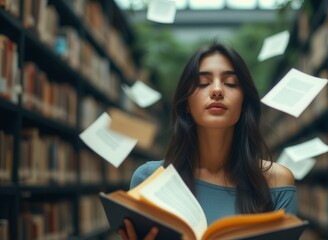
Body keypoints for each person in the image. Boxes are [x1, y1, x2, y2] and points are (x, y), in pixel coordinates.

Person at [119, 42, 297, 240]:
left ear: (244, 103)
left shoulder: (275, 181)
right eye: (203, 83)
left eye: (230, 83)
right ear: (186, 103)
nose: (217, 90)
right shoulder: (149, 180)